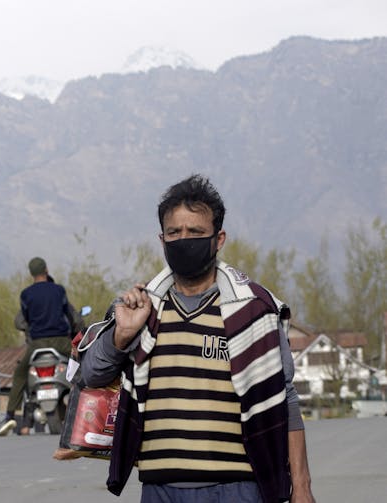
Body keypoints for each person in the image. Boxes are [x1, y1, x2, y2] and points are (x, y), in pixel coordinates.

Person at [81, 175, 316, 503]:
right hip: (160, 489)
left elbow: (285, 398)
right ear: (162, 240)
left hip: (239, 488)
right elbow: (91, 375)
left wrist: (302, 487)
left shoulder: (254, 310)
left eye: (195, 232)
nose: (183, 240)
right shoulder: (140, 306)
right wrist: (121, 335)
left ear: (218, 239)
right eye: (174, 232)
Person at [0, 257, 84, 436]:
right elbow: (71, 316)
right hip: (61, 342)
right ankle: (92, 408)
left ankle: (9, 416)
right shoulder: (58, 290)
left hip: (37, 344)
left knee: (20, 374)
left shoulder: (26, 294)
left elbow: (24, 319)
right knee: (83, 365)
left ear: (31, 273)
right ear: (46, 269)